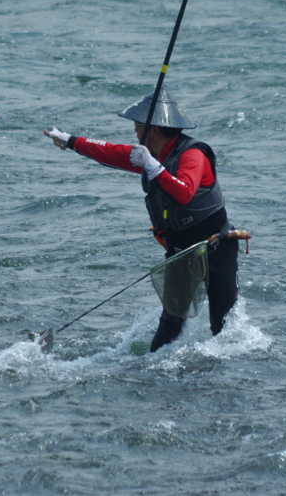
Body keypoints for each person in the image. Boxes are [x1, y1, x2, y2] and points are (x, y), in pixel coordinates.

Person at [43, 89, 249, 352]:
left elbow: (184, 193)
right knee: (170, 322)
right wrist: (70, 140)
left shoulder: (192, 155)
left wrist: (151, 166)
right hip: (180, 252)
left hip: (216, 247)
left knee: (222, 325)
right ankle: (154, 369)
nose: (135, 133)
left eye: (138, 127)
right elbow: (111, 151)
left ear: (154, 130)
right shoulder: (153, 154)